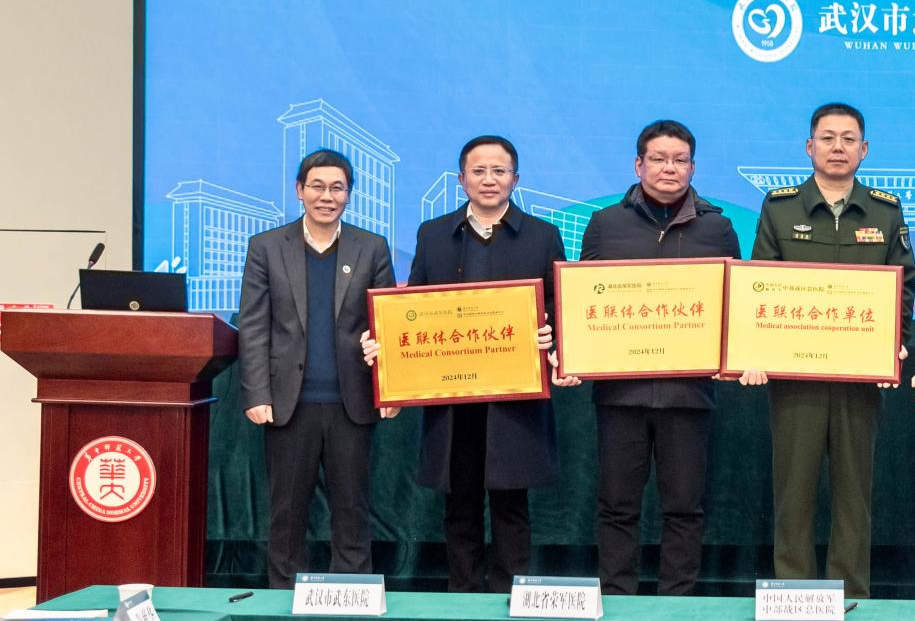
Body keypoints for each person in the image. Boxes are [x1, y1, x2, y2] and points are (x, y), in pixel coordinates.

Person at [365, 134, 574, 593]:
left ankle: (511, 594)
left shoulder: (542, 235)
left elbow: (559, 306)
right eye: (479, 171)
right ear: (462, 179)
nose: (489, 179)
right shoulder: (434, 234)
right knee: (458, 504)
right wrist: (388, 349)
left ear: (515, 179)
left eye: (499, 171)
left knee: (511, 503)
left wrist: (551, 335)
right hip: (452, 393)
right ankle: (462, 596)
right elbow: (412, 306)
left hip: (515, 396)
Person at [740, 102, 915, 599]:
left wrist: (894, 348)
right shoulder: (780, 207)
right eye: (827, 138)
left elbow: (904, 287)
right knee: (793, 492)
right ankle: (793, 596)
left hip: (859, 377)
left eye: (848, 139)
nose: (837, 147)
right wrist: (755, 350)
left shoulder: (885, 211)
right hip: (795, 378)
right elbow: (761, 285)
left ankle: (851, 595)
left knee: (854, 496)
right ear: (809, 146)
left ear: (864, 149)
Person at [580, 120, 741, 595]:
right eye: (658, 159)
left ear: (693, 167)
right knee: (616, 506)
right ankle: (616, 598)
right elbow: (582, 303)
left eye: (679, 160)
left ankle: (678, 602)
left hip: (688, 393)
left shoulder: (717, 228)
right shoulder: (605, 224)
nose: (669, 168)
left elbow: (734, 305)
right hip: (620, 392)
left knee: (684, 508)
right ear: (638, 165)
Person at [236, 148, 397, 588]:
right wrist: (257, 394)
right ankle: (283, 598)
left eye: (337, 188)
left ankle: (352, 594)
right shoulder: (267, 247)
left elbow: (388, 325)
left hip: (352, 402)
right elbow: (253, 326)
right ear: (299, 190)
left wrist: (391, 389)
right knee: (287, 511)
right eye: (318, 186)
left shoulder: (372, 248)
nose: (327, 196)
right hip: (288, 403)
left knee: (352, 509)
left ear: (349, 194)